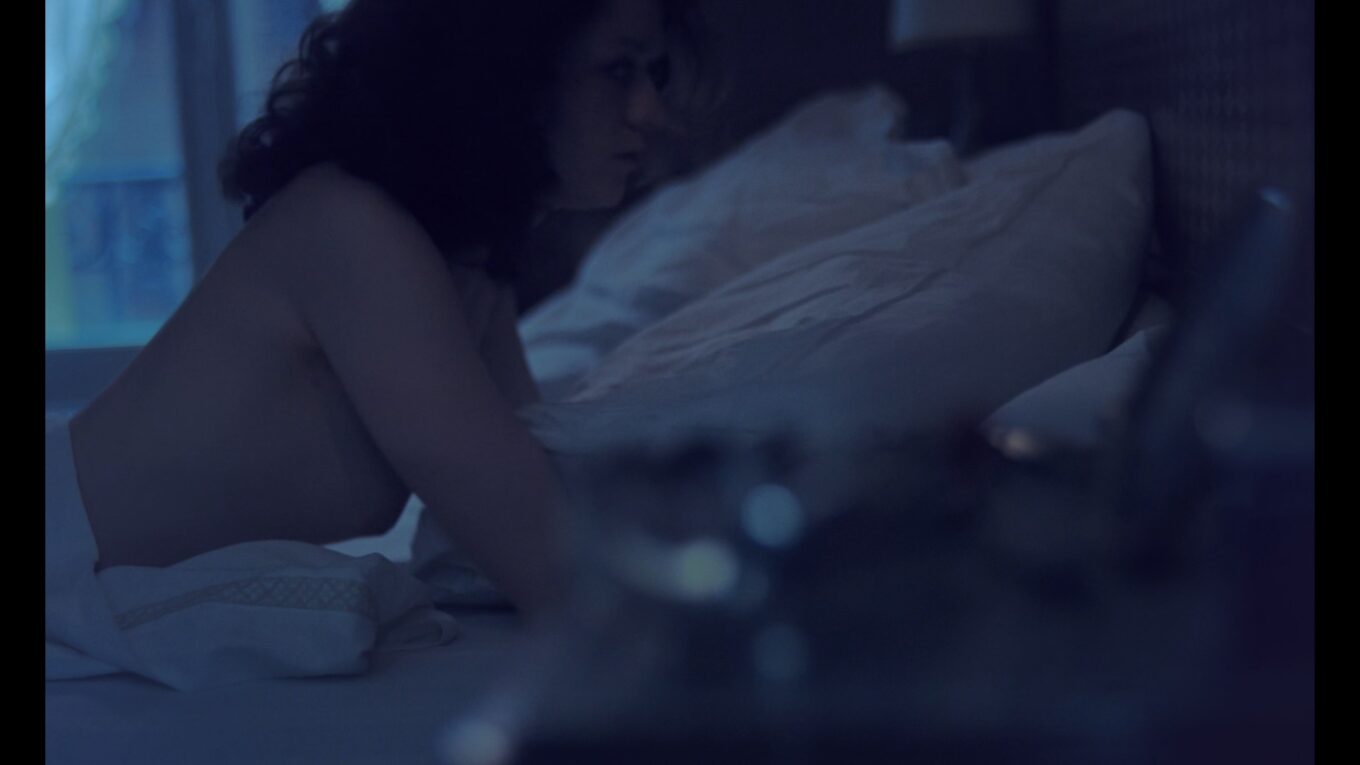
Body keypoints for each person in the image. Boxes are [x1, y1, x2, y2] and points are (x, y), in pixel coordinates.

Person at [57, 0, 708, 623]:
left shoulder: (468, 264)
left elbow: (530, 504)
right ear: (509, 70)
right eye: (617, 70)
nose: (649, 110)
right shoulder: (351, 231)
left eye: (652, 73)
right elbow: (554, 569)